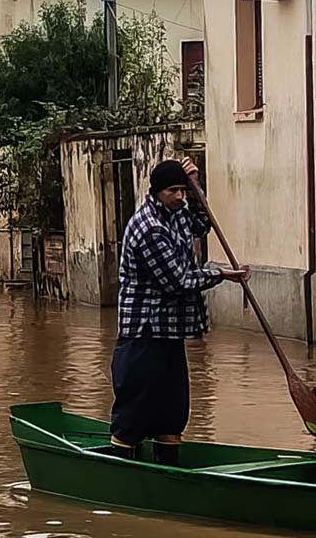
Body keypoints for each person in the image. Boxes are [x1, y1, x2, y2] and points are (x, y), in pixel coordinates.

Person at [107, 157, 249, 465]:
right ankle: (120, 469)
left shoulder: (178, 212)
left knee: (173, 409)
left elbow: (202, 221)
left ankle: (168, 467)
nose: (180, 197)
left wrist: (197, 186)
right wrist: (222, 275)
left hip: (171, 331)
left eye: (182, 190)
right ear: (157, 191)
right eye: (174, 191)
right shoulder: (149, 228)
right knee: (136, 407)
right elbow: (177, 281)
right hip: (143, 332)